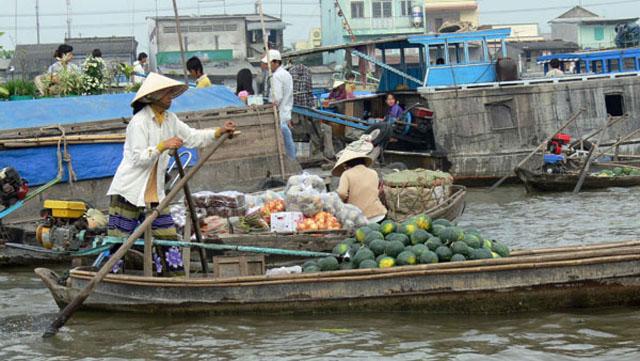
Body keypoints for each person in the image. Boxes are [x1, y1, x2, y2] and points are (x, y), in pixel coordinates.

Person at [104, 72, 236, 276]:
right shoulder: (139, 122)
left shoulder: (169, 119)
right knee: (118, 242)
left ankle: (175, 279)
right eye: (166, 94)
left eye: (170, 94)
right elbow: (139, 158)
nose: (170, 98)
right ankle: (109, 278)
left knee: (167, 239)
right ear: (153, 97)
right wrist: (162, 145)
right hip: (129, 191)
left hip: (155, 194)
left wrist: (219, 132)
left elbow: (192, 137)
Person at [289, 62, 335, 161]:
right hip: (300, 123)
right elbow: (310, 96)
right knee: (323, 129)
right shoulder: (306, 73)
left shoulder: (290, 75)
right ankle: (325, 154)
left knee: (320, 128)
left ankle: (321, 154)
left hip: (300, 119)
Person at [333, 148, 387, 223]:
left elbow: (342, 193)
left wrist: (342, 201)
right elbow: (374, 191)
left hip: (360, 218)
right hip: (380, 215)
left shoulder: (346, 174)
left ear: (346, 165)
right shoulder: (373, 172)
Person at [264, 49, 296, 159]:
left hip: (280, 115)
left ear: (275, 62)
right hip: (286, 113)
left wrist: (268, 106)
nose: (268, 65)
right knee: (288, 142)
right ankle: (292, 161)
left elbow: (276, 98)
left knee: (285, 143)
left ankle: (291, 162)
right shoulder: (286, 74)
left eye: (269, 63)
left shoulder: (276, 76)